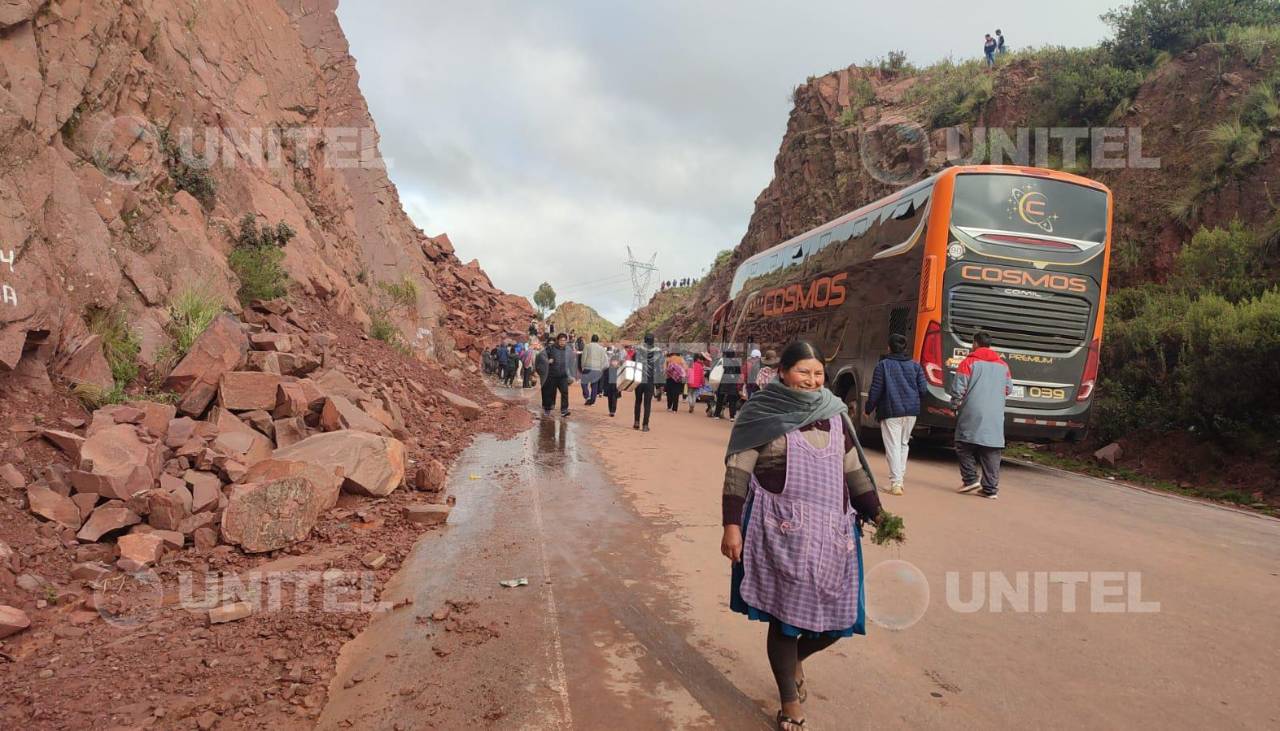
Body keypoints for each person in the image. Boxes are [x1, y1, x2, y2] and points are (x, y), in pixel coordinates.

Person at [722, 339, 884, 731]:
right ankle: (789, 702)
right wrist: (731, 526)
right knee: (784, 621)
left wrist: (877, 511)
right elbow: (738, 472)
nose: (812, 380)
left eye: (818, 373)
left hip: (832, 534)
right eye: (803, 372)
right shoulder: (761, 413)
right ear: (782, 374)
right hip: (780, 533)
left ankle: (796, 659)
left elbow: (854, 471)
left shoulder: (835, 413)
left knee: (839, 619)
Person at [865, 333, 929, 496]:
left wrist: (868, 409)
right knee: (903, 444)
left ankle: (896, 483)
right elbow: (923, 390)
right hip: (911, 412)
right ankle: (899, 480)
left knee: (893, 446)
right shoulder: (915, 366)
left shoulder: (883, 365)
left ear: (889, 347)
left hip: (891, 411)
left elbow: (876, 390)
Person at [951, 331, 1012, 499]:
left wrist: (955, 405)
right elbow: (1008, 389)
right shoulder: (1003, 366)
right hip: (995, 414)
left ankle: (970, 479)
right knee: (991, 449)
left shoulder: (968, 363)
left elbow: (958, 389)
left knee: (963, 444)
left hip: (972, 410)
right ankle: (990, 488)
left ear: (975, 343)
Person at [536, 333, 578, 418]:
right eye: (561, 340)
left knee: (565, 392)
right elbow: (540, 356)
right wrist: (547, 361)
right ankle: (547, 409)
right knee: (550, 393)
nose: (563, 342)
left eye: (564, 340)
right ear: (557, 340)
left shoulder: (568, 349)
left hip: (563, 376)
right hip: (552, 375)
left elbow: (572, 361)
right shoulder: (551, 348)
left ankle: (564, 410)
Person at [632, 333, 662, 431]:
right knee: (647, 404)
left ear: (644, 340)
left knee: (638, 401)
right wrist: (658, 385)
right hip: (650, 380)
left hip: (639, 379)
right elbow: (658, 369)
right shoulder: (657, 353)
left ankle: (636, 422)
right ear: (653, 341)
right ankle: (645, 425)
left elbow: (633, 363)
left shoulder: (638, 351)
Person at [714, 350, 743, 420]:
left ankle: (717, 415)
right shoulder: (736, 362)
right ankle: (732, 416)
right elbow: (739, 373)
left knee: (720, 399)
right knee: (732, 400)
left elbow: (717, 371)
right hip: (732, 383)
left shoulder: (722, 361)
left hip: (723, 382)